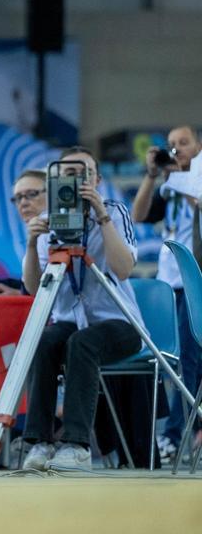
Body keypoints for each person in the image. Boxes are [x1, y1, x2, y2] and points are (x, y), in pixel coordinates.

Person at [20, 147, 142, 472]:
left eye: (84, 173)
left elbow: (124, 269)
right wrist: (32, 244)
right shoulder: (50, 221)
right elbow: (34, 288)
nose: (77, 180)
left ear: (98, 180)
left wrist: (100, 215)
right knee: (44, 341)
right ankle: (39, 442)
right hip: (71, 321)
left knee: (82, 343)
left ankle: (76, 445)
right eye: (69, 174)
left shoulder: (114, 212)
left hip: (119, 323)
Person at [132, 126, 202, 459]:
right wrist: (151, 176)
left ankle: (176, 435)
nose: (176, 150)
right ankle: (184, 431)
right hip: (168, 283)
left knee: (189, 362)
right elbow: (139, 215)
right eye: (171, 145)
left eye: (183, 144)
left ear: (198, 146)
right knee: (174, 362)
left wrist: (187, 179)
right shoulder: (168, 187)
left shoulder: (196, 179)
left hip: (195, 281)